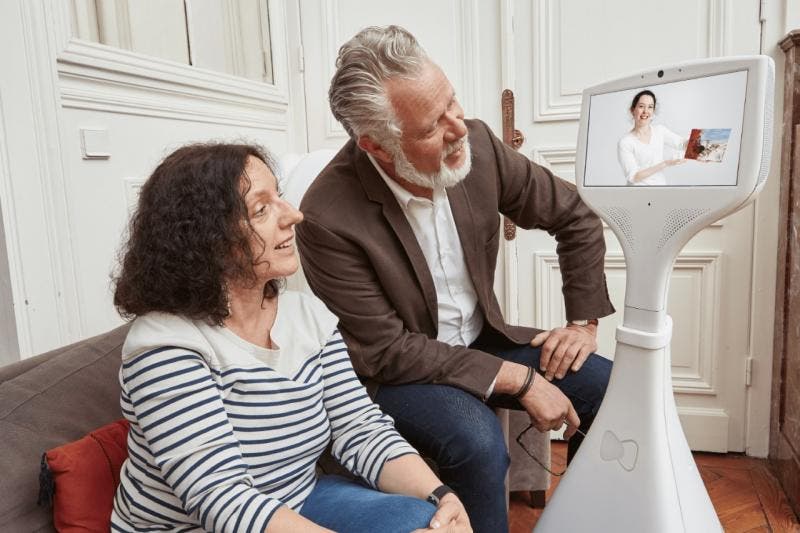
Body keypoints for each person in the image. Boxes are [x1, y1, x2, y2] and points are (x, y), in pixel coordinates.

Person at [296, 26, 615, 532]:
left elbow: (574, 215)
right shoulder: (326, 215)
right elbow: (387, 351)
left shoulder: (481, 145)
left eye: (453, 102)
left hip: (481, 342)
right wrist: (521, 379)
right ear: (377, 146)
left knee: (607, 385)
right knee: (476, 439)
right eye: (431, 126)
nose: (457, 127)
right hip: (396, 375)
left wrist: (583, 323)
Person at [110, 143, 472, 533]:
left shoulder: (306, 315)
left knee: (427, 522)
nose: (294, 215)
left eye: (278, 196)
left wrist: (441, 496)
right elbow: (221, 499)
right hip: (200, 527)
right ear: (208, 239)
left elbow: (359, 428)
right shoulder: (165, 343)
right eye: (261, 209)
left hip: (299, 499)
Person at [618, 89, 687, 186]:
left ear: (653, 111)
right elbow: (633, 177)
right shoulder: (625, 142)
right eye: (641, 106)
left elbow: (682, 143)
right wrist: (665, 163)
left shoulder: (660, 131)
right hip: (636, 194)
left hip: (660, 191)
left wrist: (704, 143)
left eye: (650, 107)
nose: (645, 111)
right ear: (633, 110)